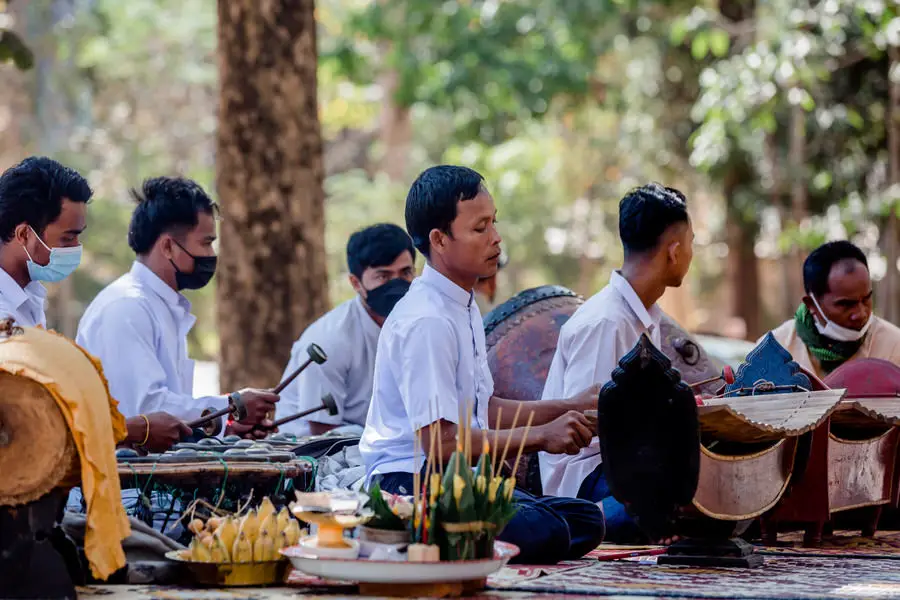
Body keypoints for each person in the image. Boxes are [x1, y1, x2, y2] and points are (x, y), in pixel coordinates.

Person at [360, 165, 606, 565]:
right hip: (407, 485)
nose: (496, 238)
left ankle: (468, 539)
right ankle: (414, 536)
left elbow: (482, 409)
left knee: (584, 518)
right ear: (439, 240)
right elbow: (438, 443)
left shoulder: (462, 303)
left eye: (494, 223)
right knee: (550, 530)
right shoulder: (428, 320)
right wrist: (542, 436)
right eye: (480, 228)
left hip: (454, 479)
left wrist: (569, 405)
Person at [0, 157, 190, 451]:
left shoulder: (29, 301)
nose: (76, 249)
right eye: (68, 238)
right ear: (24, 234)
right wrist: (131, 430)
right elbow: (22, 424)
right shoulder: (4, 312)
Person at [540, 183, 694, 543]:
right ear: (673, 252)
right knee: (692, 489)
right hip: (586, 479)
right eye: (690, 242)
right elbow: (591, 430)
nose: (691, 252)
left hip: (623, 467)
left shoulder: (642, 317)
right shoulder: (607, 322)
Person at [76, 176, 278, 438]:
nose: (211, 254)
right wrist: (231, 407)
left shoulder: (161, 306)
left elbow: (170, 413)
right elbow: (145, 412)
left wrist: (224, 427)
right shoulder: (126, 307)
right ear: (168, 246)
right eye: (205, 242)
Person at [276, 223, 416, 436]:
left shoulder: (417, 325)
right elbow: (321, 429)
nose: (396, 284)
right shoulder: (328, 341)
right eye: (383, 276)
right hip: (317, 452)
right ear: (356, 283)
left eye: (405, 273)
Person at [767, 240, 900, 378]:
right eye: (846, 304)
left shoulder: (894, 347)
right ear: (812, 305)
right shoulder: (774, 352)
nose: (861, 314)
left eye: (866, 299)